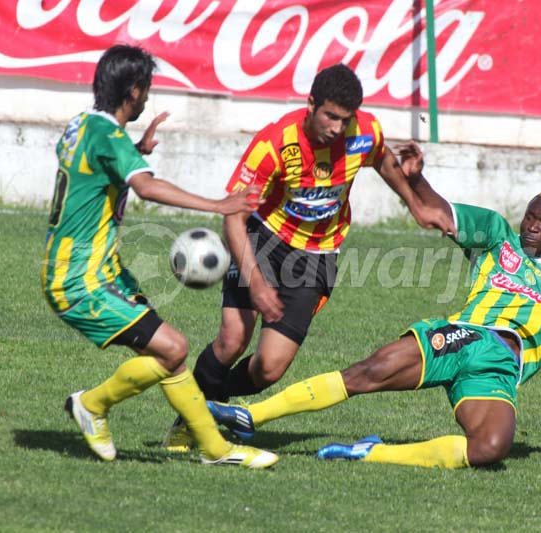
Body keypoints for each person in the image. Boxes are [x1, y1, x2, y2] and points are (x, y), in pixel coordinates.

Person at [208, 182, 541, 469]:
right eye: (530, 216)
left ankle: (372, 452)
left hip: (500, 370)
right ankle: (251, 417)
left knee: (490, 448)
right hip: (465, 338)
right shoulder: (496, 236)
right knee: (367, 374)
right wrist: (415, 178)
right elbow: (440, 211)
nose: (533, 226)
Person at [163, 63, 453, 450]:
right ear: (311, 104)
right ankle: (190, 420)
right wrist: (257, 282)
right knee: (233, 339)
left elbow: (382, 159)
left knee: (269, 368)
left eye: (344, 119)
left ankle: (209, 405)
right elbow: (235, 215)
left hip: (317, 256)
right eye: (330, 116)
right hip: (263, 240)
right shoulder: (274, 143)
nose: (336, 127)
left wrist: (415, 203)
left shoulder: (364, 132)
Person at [41, 44, 277, 468]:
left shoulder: (83, 127)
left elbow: (93, 166)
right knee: (173, 348)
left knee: (170, 354)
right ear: (133, 90)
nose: (148, 97)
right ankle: (92, 405)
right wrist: (220, 205)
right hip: (80, 280)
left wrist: (136, 151)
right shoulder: (108, 137)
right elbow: (148, 188)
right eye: (146, 89)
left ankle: (215, 450)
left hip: (99, 272)